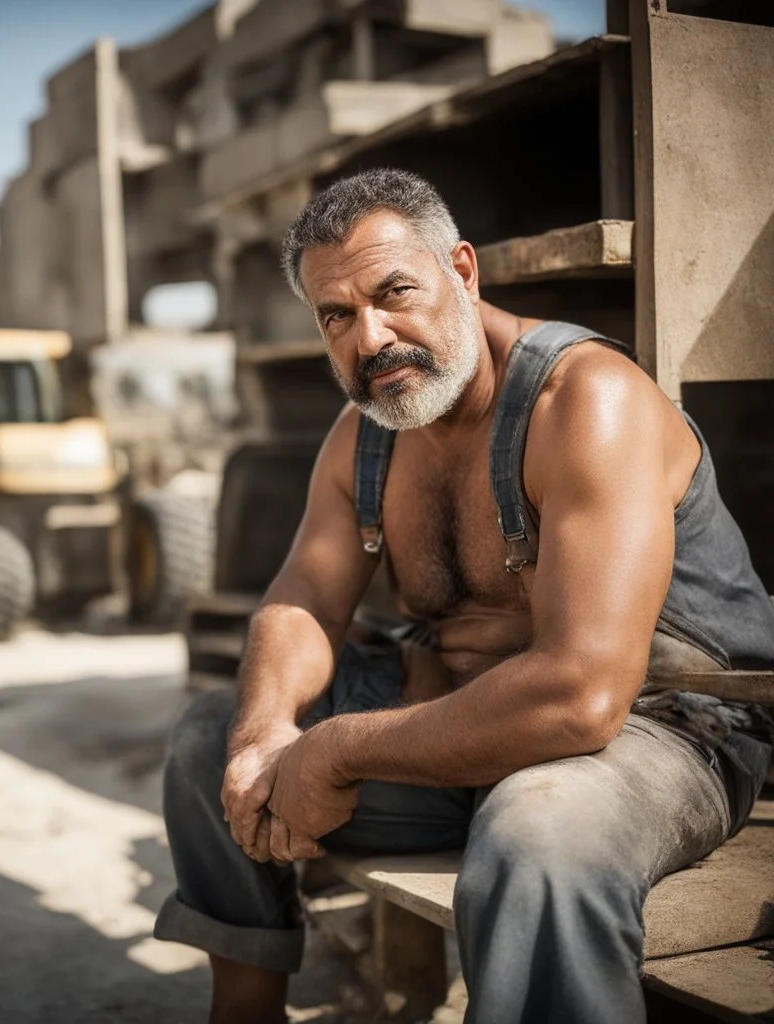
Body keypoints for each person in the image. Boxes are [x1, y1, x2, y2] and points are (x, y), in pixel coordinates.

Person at [154, 169, 774, 1024]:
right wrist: (266, 738)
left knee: (539, 837)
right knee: (206, 744)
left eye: (394, 292)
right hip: (456, 722)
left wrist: (333, 751)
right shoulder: (364, 434)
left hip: (660, 728)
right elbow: (301, 597)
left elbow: (583, 697)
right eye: (337, 315)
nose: (371, 338)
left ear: (463, 270)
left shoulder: (585, 401)